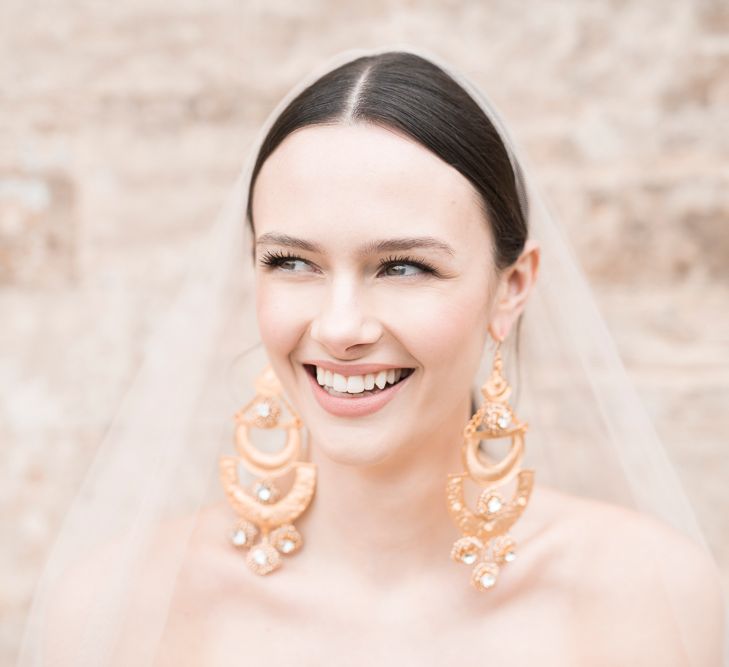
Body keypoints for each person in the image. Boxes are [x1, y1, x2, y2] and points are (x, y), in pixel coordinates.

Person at [17, 47, 727, 666]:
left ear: (510, 288)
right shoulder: (115, 610)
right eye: (292, 261)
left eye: (403, 267)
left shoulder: (656, 599)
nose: (340, 326)